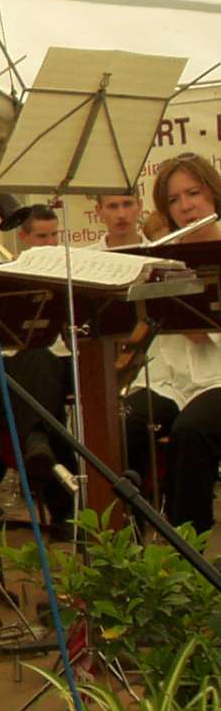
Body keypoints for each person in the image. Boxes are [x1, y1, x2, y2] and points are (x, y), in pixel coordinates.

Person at [121, 154, 221, 531]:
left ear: (212, 194)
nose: (186, 206)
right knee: (124, 423)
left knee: (190, 432)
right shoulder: (163, 256)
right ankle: (128, 544)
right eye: (175, 200)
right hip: (170, 381)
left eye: (193, 193)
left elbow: (199, 331)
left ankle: (187, 547)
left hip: (217, 380)